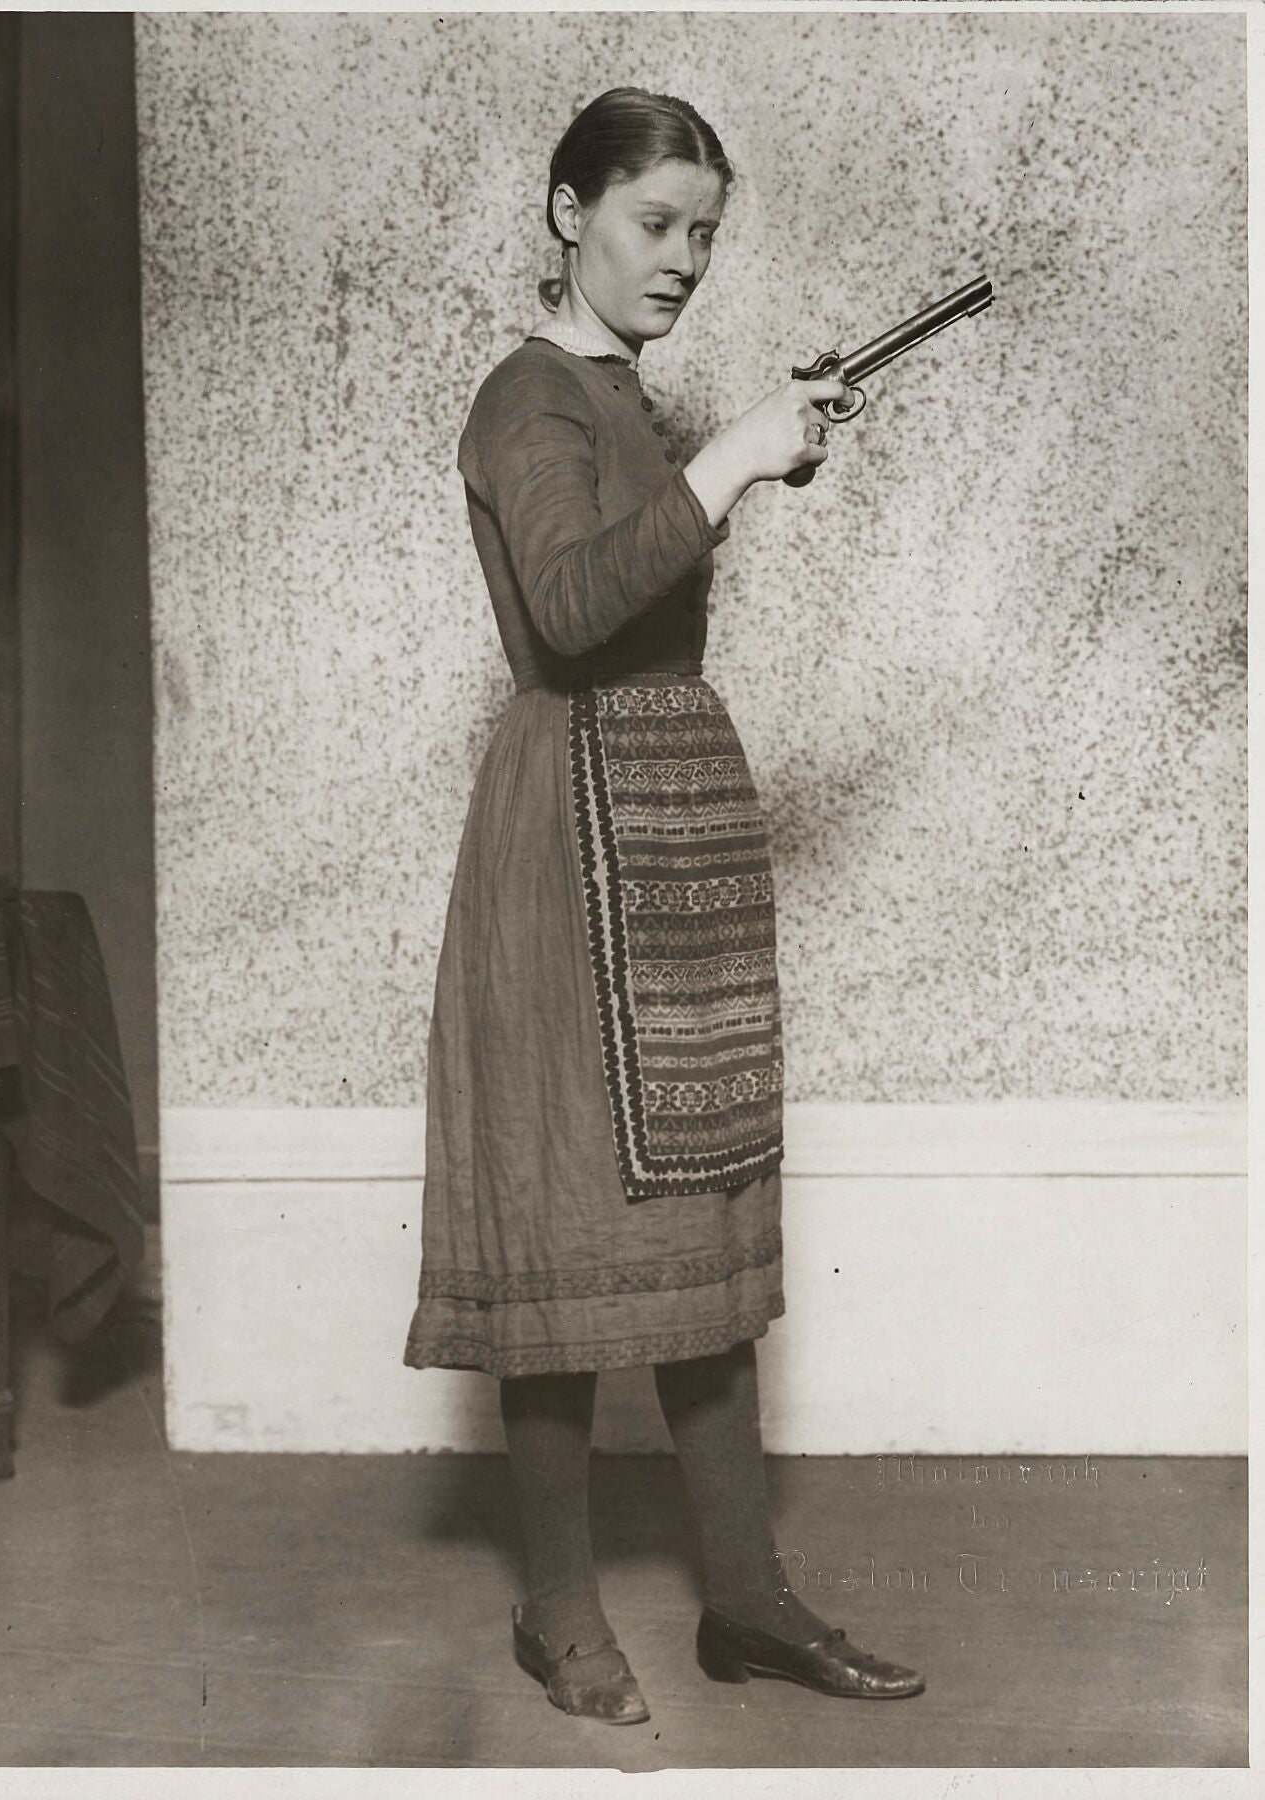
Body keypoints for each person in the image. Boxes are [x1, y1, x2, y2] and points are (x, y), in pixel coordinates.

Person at [404, 86, 925, 1725]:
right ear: (569, 214)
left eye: (704, 231)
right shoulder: (526, 394)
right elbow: (568, 612)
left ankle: (745, 1603)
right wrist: (729, 459)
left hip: (672, 811)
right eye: (652, 222)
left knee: (694, 1203)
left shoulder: (619, 400)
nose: (684, 258)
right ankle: (556, 1614)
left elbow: (636, 559)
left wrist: (743, 463)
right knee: (566, 1214)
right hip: (567, 828)